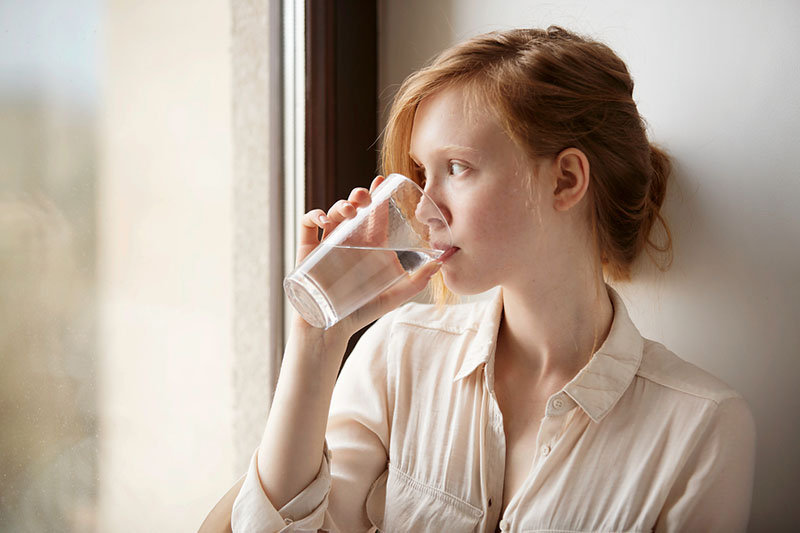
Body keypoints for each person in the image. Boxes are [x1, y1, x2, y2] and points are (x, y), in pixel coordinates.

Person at [223, 26, 756, 532]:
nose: (426, 209)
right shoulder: (398, 351)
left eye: (456, 167)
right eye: (421, 173)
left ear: (565, 180)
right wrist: (316, 340)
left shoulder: (700, 427)